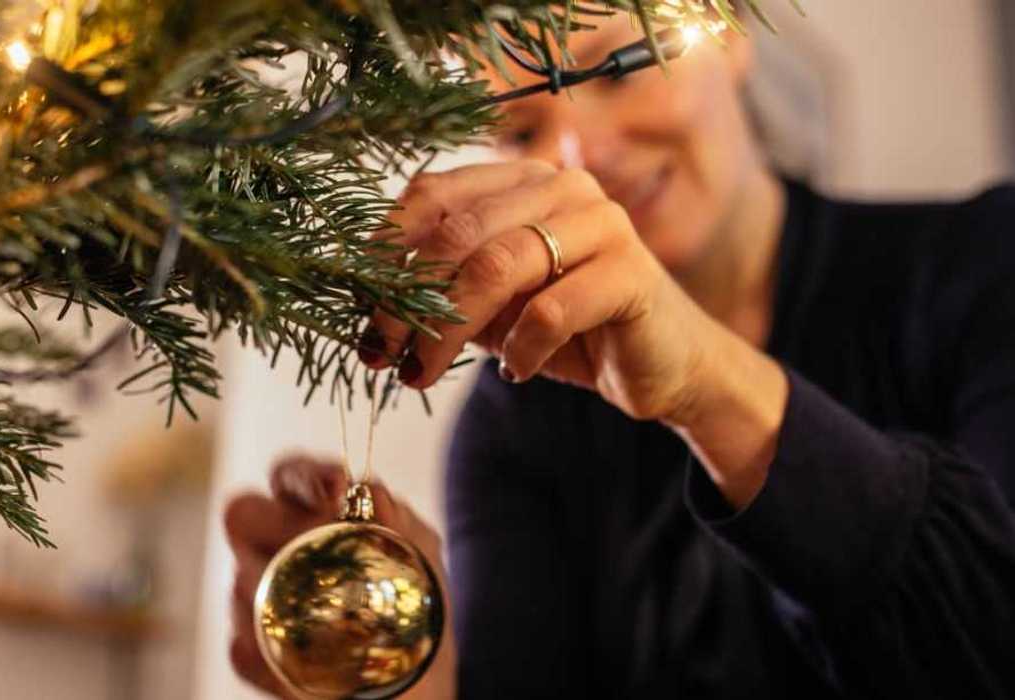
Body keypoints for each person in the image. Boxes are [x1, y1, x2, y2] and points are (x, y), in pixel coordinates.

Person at [224, 16, 1015, 699]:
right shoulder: (515, 417)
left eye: (622, 68)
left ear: (727, 33)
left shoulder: (979, 266)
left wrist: (704, 385)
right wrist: (417, 675)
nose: (582, 152)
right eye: (521, 130)